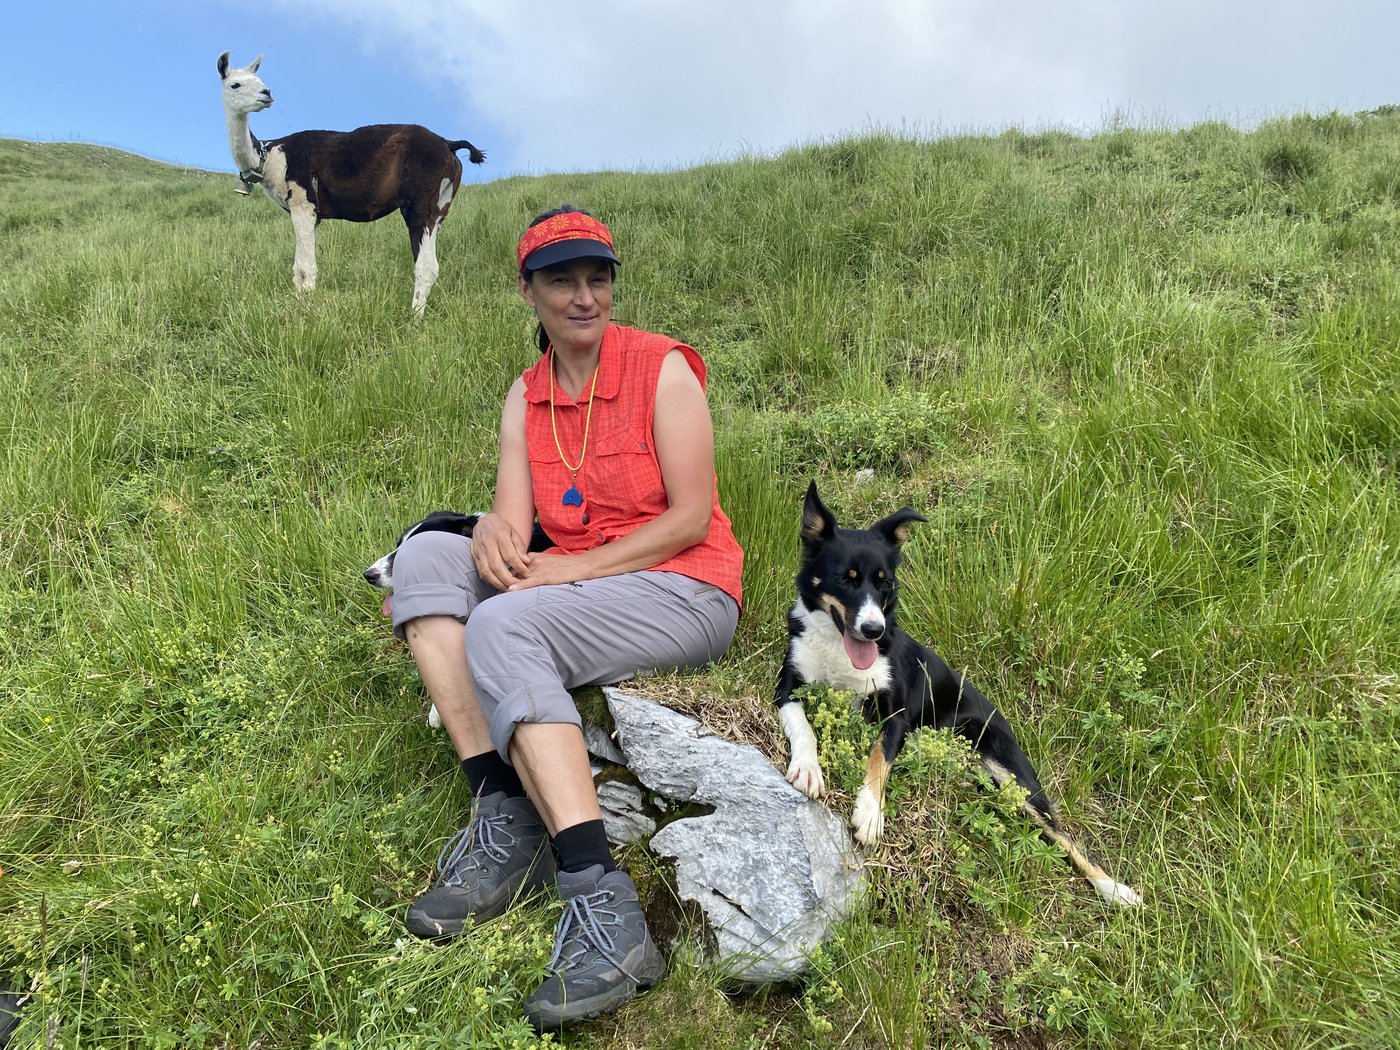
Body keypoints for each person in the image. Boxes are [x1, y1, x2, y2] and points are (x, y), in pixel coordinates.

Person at [386, 206, 744, 1029]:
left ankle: (604, 907)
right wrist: (490, 537)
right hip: (582, 591)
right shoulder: (527, 395)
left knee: (504, 626)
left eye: (598, 278)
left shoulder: (663, 369)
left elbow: (691, 518)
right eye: (562, 280)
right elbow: (515, 526)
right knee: (426, 559)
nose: (584, 297)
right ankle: (503, 812)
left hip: (685, 590)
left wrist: (562, 571)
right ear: (529, 292)